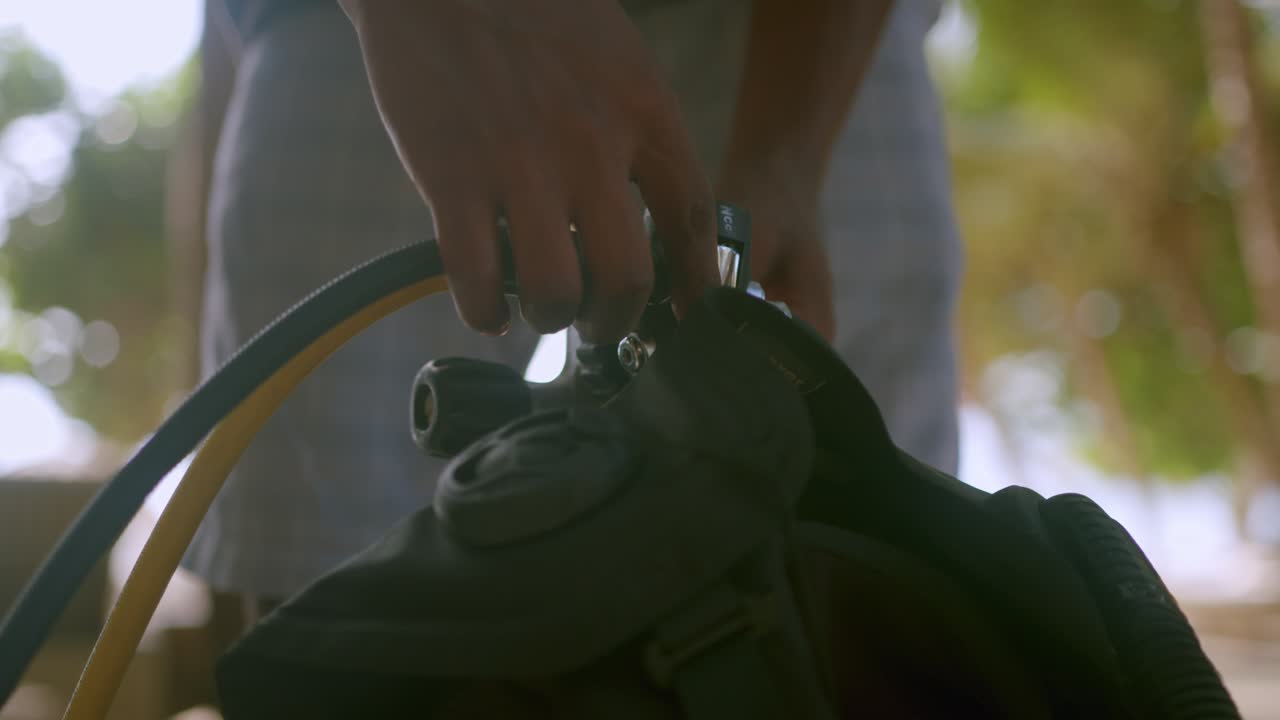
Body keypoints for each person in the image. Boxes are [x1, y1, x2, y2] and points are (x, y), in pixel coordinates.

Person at [183, 0, 964, 621]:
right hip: (360, 36)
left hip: (802, 35)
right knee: (323, 592)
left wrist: (789, 157)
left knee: (866, 575)